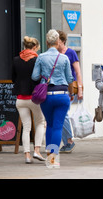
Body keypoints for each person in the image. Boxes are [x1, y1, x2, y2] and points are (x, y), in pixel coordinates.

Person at [31, 29, 74, 168]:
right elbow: (69, 79)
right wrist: (71, 93)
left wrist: (45, 75)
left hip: (46, 96)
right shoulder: (64, 58)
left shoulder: (41, 57)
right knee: (58, 127)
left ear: (47, 42)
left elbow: (34, 76)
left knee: (49, 125)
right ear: (57, 42)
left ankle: (50, 158)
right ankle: (53, 160)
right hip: (62, 95)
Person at [12, 36, 46, 164]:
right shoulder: (37, 60)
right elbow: (38, 78)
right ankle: (37, 150)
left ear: (24, 47)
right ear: (35, 47)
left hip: (20, 98)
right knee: (40, 122)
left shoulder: (15, 60)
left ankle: (27, 155)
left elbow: (12, 78)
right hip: (34, 98)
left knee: (26, 127)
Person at [57, 30, 83, 153]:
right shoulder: (54, 53)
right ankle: (67, 142)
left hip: (68, 87)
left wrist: (80, 89)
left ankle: (69, 140)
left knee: (63, 115)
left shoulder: (71, 53)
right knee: (60, 115)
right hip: (56, 87)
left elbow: (77, 72)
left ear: (62, 40)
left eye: (56, 40)